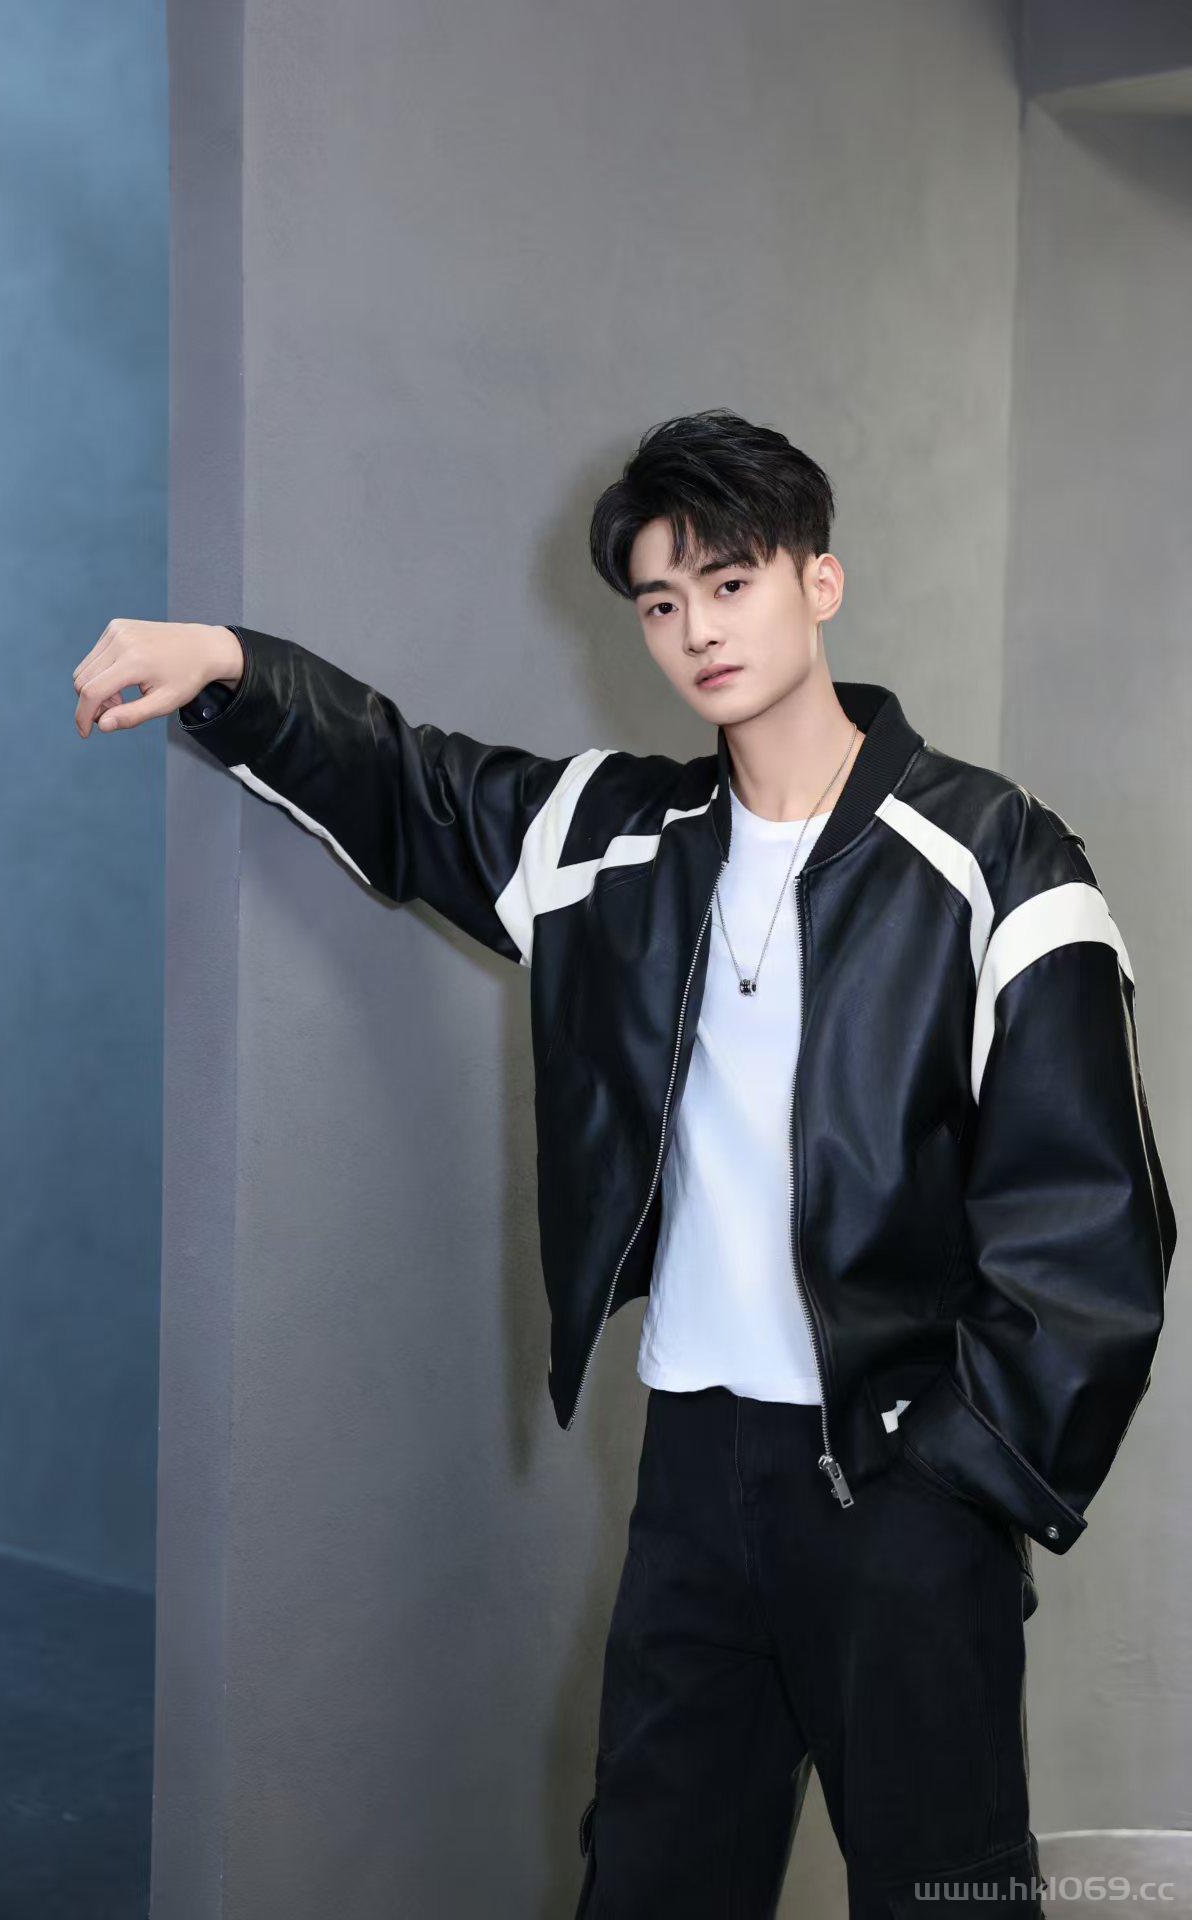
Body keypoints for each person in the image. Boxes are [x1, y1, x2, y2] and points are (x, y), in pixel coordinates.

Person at [72, 410, 1176, 1917]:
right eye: (661, 603)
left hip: (903, 1477)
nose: (696, 630)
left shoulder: (997, 856)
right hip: (697, 1468)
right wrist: (228, 667)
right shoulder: (616, 838)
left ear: (820, 582)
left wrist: (958, 1475)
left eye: (729, 583)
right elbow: (408, 785)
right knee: (654, 1879)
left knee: (944, 1893)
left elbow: (1092, 1219)